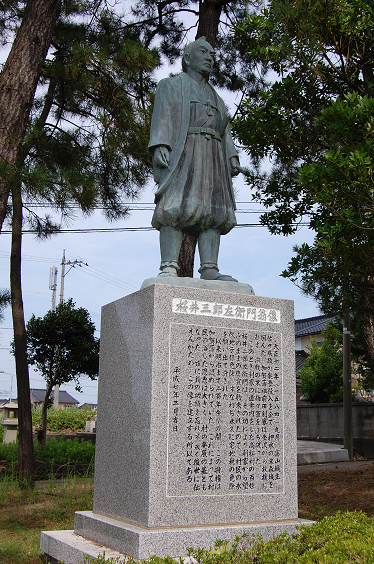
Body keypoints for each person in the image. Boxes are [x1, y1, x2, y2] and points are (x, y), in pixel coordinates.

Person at [148, 37, 241, 281]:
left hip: (212, 156)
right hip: (184, 151)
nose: (210, 57)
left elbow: (225, 130)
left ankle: (209, 267)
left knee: (212, 210)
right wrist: (160, 145)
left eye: (212, 54)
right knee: (174, 204)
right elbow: (162, 116)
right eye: (203, 52)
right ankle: (169, 265)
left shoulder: (216, 98)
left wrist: (231, 157)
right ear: (187, 59)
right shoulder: (170, 85)